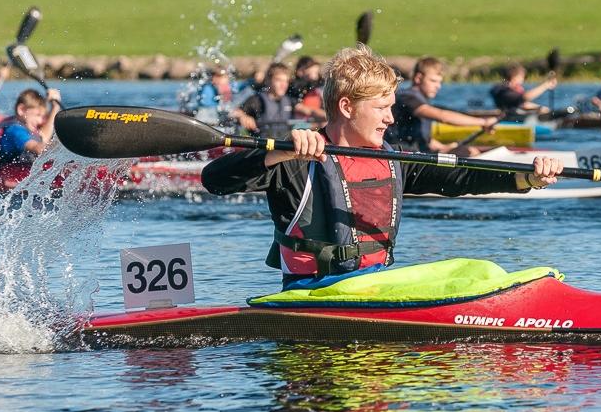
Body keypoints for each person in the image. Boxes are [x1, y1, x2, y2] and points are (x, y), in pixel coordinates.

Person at [201, 44, 563, 287]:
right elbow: (214, 180)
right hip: (310, 300)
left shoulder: (391, 159)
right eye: (381, 108)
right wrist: (278, 153)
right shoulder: (296, 161)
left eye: (391, 107)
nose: (391, 118)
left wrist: (525, 176)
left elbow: (458, 176)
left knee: (478, 273)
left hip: (373, 288)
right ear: (346, 107)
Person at [386, 56, 498, 156]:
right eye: (433, 81)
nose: (438, 86)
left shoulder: (422, 100)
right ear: (418, 78)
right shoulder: (408, 98)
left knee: (475, 150)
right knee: (470, 153)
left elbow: (425, 140)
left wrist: (443, 147)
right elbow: (442, 116)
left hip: (420, 152)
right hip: (401, 154)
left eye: (440, 82)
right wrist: (483, 122)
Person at [0, 88, 62, 167]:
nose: (41, 121)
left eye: (43, 117)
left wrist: (55, 107)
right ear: (21, 110)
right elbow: (38, 148)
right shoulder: (14, 130)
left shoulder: (26, 126)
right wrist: (64, 150)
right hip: (10, 172)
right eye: (38, 115)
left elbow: (43, 137)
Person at [238, 63, 295, 139]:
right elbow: (235, 112)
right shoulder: (257, 100)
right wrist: (243, 117)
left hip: (283, 145)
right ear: (268, 80)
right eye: (279, 80)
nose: (283, 85)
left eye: (286, 81)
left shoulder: (289, 100)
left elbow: (307, 110)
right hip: (263, 146)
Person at [490, 62, 558, 115]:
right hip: (510, 120)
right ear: (515, 78)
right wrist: (546, 85)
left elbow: (523, 104)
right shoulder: (503, 91)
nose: (523, 81)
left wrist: (542, 109)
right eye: (522, 78)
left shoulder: (507, 90)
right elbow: (524, 97)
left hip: (515, 116)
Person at [289, 56, 327, 124]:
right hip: (299, 124)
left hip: (314, 120)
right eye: (311, 72)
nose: (315, 76)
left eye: (316, 72)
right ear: (300, 71)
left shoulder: (318, 86)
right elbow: (300, 108)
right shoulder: (294, 87)